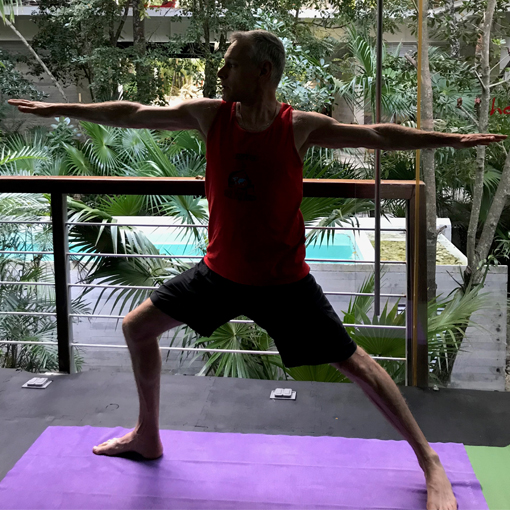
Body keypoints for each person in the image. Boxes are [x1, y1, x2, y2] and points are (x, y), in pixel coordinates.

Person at [9, 29, 507, 510]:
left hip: (283, 285)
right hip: (218, 276)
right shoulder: (210, 116)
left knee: (356, 364)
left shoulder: (297, 125)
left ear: (263, 71)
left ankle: (431, 461)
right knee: (137, 327)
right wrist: (61, 108)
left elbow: (376, 134)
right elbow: (136, 114)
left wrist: (450, 140)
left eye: (232, 62)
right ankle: (148, 436)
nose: (221, 70)